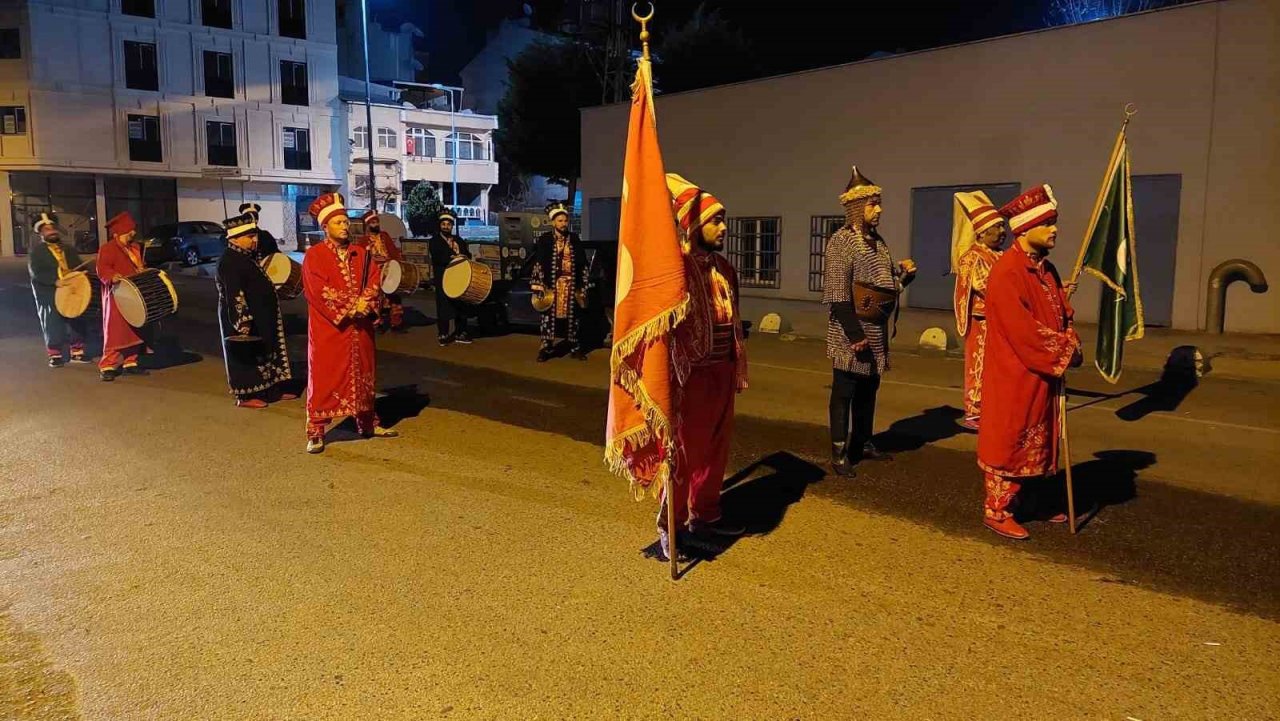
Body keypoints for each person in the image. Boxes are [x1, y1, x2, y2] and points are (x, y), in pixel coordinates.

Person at [978, 184, 1082, 540]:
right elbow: (1023, 331)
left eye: (1055, 222)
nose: (1055, 230)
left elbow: (1061, 312)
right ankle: (997, 508)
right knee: (1011, 437)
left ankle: (1032, 501)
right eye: (1049, 222)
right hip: (1015, 372)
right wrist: (1064, 351)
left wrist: (1071, 334)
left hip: (1041, 373)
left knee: (1042, 433)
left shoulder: (1046, 269)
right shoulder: (1008, 272)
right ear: (1026, 227)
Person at [656, 174, 750, 557]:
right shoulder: (673, 270)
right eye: (715, 220)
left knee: (716, 449)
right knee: (682, 454)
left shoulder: (726, 269)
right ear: (693, 225)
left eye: (723, 218)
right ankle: (671, 526)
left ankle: (705, 514)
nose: (724, 226)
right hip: (689, 375)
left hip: (722, 370)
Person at [821, 167, 916, 476]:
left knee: (868, 391)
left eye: (879, 203)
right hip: (851, 332)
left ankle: (862, 441)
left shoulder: (878, 242)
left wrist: (906, 278)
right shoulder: (841, 242)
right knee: (844, 392)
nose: (879, 210)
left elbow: (884, 290)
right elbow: (837, 293)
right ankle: (839, 452)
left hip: (875, 331)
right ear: (856, 207)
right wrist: (854, 333)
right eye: (873, 204)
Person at [301, 192, 398, 454]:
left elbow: (374, 280)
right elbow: (318, 291)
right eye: (338, 223)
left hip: (360, 328)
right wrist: (350, 306)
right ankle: (316, 430)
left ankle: (367, 423)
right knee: (326, 376)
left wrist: (366, 302)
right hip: (330, 330)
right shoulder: (314, 257)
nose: (345, 227)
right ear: (325, 227)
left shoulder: (361, 253)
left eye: (346, 222)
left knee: (364, 374)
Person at [215, 212, 295, 408]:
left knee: (264, 351)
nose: (255, 240)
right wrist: (243, 320)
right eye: (250, 237)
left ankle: (270, 390)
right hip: (244, 318)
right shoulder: (229, 261)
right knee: (245, 355)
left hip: (260, 315)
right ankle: (246, 396)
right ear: (235, 238)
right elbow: (234, 293)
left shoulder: (244, 256)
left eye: (255, 235)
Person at [951, 191, 1007, 430]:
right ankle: (974, 411)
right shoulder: (972, 257)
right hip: (981, 321)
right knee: (979, 365)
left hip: (1000, 320)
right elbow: (985, 285)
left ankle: (994, 407)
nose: (1003, 232)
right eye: (998, 227)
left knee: (998, 366)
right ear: (983, 233)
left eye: (1003, 227)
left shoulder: (1000, 255)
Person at [27, 212, 90, 367]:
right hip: (49, 291)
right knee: (53, 322)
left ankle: (77, 352)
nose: (51, 231)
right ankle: (55, 354)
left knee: (76, 317)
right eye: (47, 229)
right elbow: (37, 272)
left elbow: (77, 265)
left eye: (52, 228)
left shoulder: (68, 249)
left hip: (70, 289)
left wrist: (82, 274)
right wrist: (54, 280)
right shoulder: (37, 252)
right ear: (41, 233)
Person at [530, 201, 590, 361]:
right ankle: (545, 348)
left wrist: (583, 286)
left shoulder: (574, 239)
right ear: (553, 222)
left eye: (565, 221)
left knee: (574, 319)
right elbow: (539, 264)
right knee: (547, 318)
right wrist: (539, 286)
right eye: (560, 221)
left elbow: (583, 264)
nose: (563, 224)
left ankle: (575, 347)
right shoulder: (545, 240)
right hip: (552, 287)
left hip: (571, 286)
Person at [96, 211, 149, 382]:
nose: (132, 234)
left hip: (134, 294)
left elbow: (139, 265)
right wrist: (112, 276)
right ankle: (107, 365)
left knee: (134, 327)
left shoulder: (135, 248)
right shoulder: (107, 249)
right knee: (115, 330)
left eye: (133, 230)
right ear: (118, 233)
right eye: (129, 231)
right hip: (116, 294)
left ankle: (130, 362)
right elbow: (102, 269)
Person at [428, 209, 474, 346]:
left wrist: (463, 256)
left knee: (461, 304)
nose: (446, 226)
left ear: (452, 226)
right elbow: (437, 257)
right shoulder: (434, 241)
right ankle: (443, 334)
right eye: (444, 224)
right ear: (440, 225)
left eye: (449, 224)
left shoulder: (458, 240)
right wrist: (451, 257)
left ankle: (461, 332)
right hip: (443, 277)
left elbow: (467, 254)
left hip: (459, 278)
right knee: (443, 306)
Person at [359, 209, 407, 333]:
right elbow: (361, 260)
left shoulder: (384, 236)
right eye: (373, 222)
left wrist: (398, 261)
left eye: (377, 222)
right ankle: (377, 322)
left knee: (394, 297)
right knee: (375, 298)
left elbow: (393, 251)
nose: (376, 224)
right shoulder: (363, 241)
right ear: (368, 225)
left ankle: (396, 322)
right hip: (373, 273)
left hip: (388, 270)